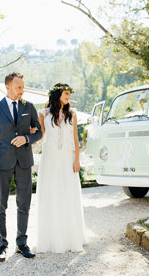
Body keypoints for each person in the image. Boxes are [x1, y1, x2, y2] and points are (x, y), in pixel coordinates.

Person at [0, 73, 42, 262]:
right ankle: (2, 246)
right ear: (8, 86)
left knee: (24, 204)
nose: (21, 91)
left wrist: (27, 138)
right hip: (1, 163)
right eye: (18, 87)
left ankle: (21, 244)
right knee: (0, 205)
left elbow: (39, 131)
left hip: (24, 162)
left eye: (23, 87)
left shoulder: (29, 107)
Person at [35, 83, 86, 253]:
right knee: (52, 195)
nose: (68, 96)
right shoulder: (44, 114)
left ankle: (71, 237)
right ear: (57, 95)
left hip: (67, 159)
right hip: (50, 159)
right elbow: (41, 136)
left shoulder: (72, 114)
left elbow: (75, 139)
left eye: (69, 93)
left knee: (68, 194)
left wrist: (77, 159)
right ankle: (51, 239)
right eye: (66, 93)